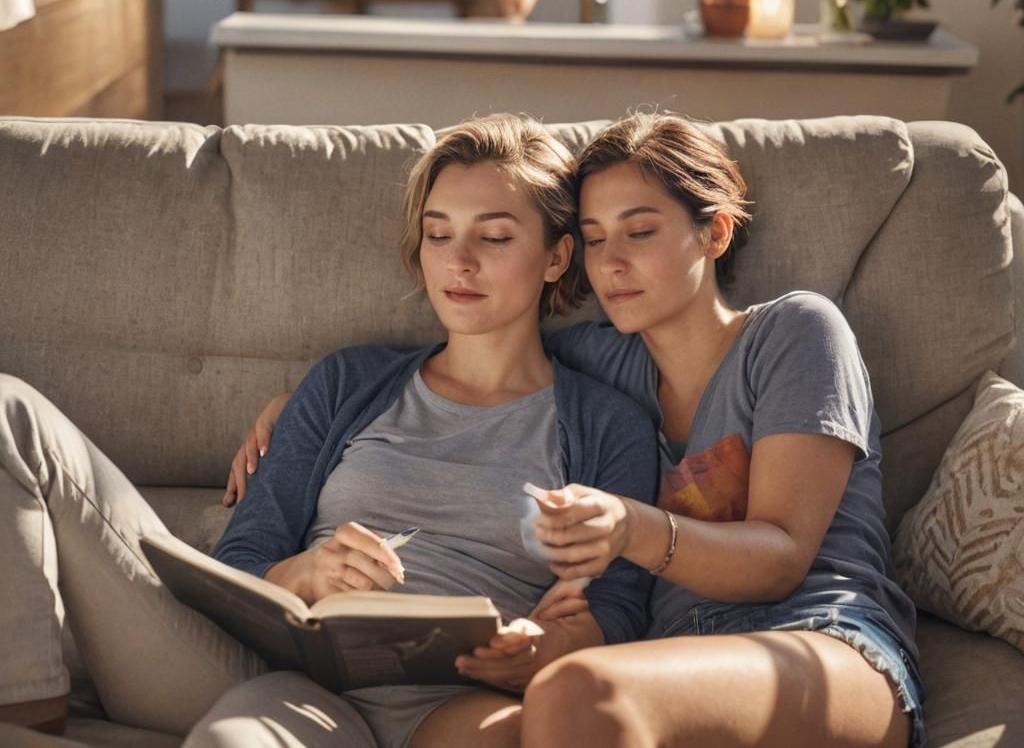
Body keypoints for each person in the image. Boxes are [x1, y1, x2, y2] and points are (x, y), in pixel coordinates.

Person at [235, 112, 927, 748]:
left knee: (572, 688)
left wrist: (629, 527)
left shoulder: (795, 333)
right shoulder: (602, 364)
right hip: (665, 660)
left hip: (818, 636)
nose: (611, 263)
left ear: (714, 232)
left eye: (641, 231)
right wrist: (296, 407)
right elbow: (489, 350)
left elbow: (781, 558)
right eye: (595, 239)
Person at [0, 114, 657, 748]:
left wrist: (545, 651)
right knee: (10, 410)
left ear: (556, 256)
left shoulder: (607, 425)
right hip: (287, 681)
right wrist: (307, 575)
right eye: (438, 234)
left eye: (494, 237)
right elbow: (240, 565)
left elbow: (621, 609)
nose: (458, 260)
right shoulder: (349, 381)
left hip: (457, 703)